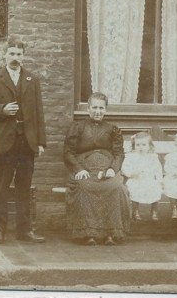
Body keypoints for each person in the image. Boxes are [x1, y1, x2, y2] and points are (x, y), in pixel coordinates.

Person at [0, 39, 46, 244]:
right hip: (4, 141)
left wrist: (40, 141)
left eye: (19, 54)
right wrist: (2, 110)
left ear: (23, 56)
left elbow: (38, 113)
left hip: (27, 141)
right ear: (5, 55)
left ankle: (25, 230)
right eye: (12, 54)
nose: (15, 58)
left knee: (25, 186)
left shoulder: (32, 79)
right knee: (2, 186)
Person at [63, 92, 131, 245]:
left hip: (106, 169)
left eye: (101, 108)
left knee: (116, 187)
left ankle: (111, 234)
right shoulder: (77, 127)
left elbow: (119, 153)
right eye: (94, 107)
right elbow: (68, 152)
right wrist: (79, 169)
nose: (97, 111)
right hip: (84, 169)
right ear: (88, 109)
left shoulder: (112, 129)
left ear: (105, 110)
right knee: (84, 187)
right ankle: (88, 233)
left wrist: (113, 168)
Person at [122, 131, 163, 222]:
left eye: (144, 145)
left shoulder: (153, 157)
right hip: (135, 180)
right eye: (138, 145)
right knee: (135, 190)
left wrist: (159, 180)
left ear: (149, 146)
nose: (141, 147)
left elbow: (158, 169)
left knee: (156, 189)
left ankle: (154, 211)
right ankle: (135, 211)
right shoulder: (131, 157)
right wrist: (131, 173)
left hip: (149, 179)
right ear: (134, 146)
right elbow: (124, 168)